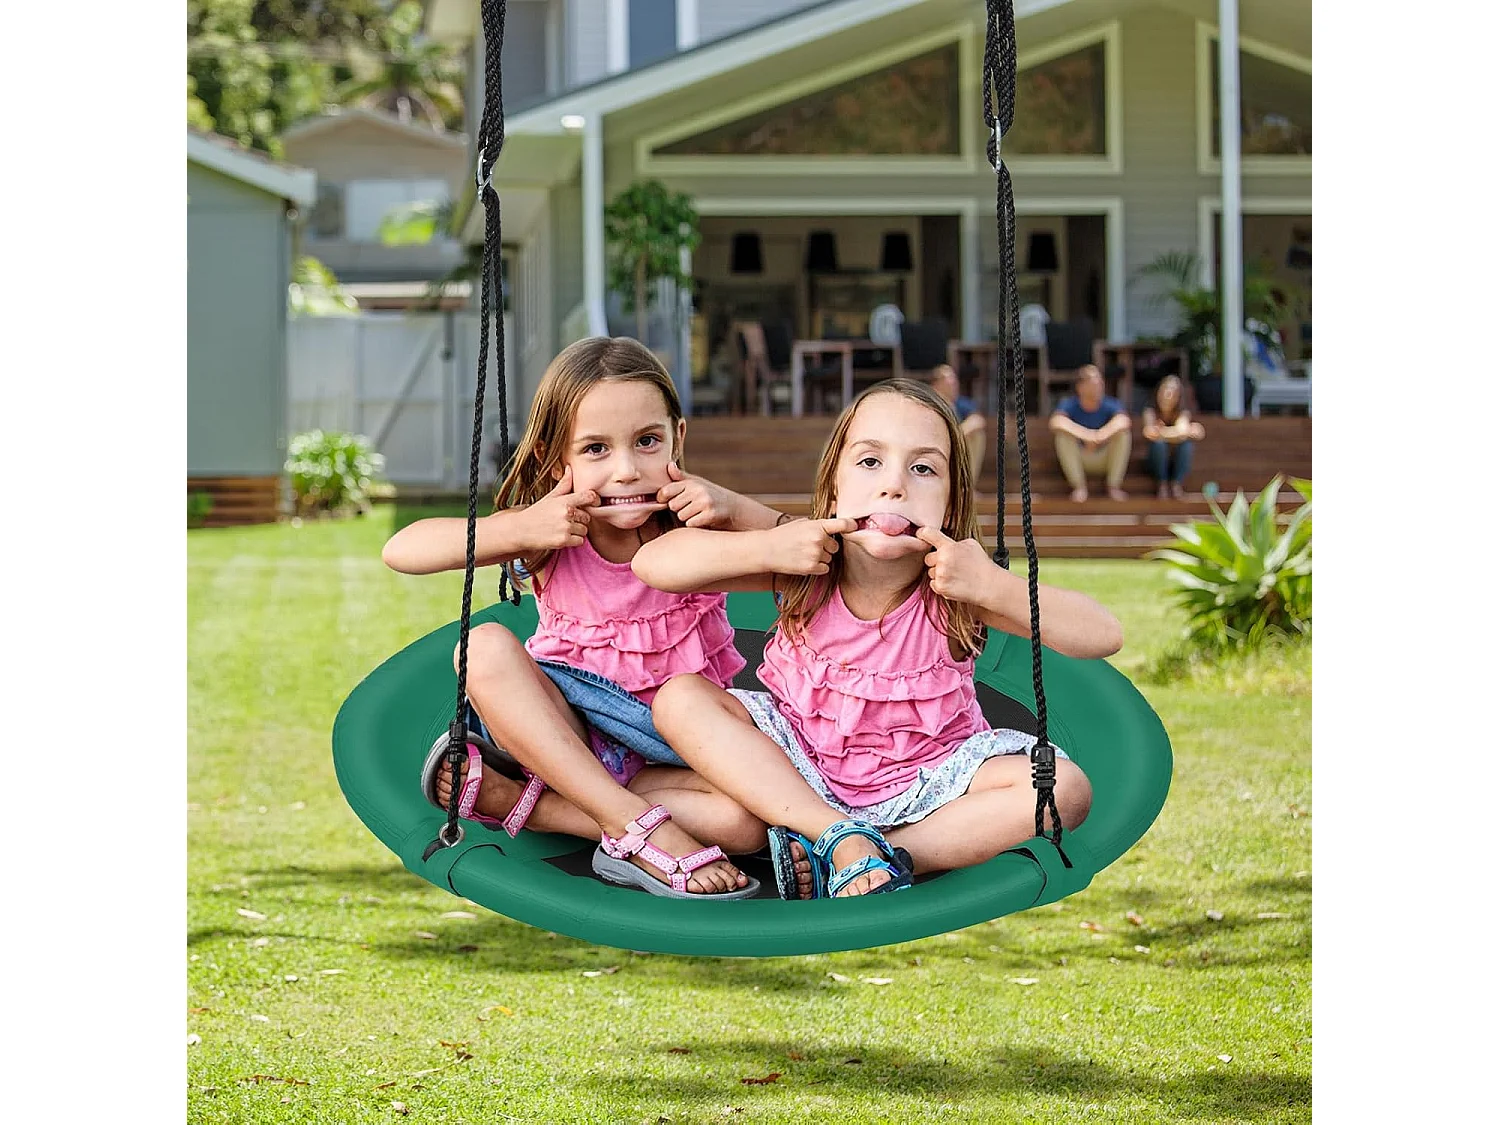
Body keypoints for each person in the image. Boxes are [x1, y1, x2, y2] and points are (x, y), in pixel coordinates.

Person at [633, 379, 1119, 899]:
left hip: (930, 783)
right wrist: (768, 546)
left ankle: (889, 855)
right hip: (794, 767)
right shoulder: (805, 564)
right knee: (680, 699)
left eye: (923, 469)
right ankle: (835, 836)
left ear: (950, 505)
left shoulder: (957, 588)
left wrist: (993, 585)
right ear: (834, 488)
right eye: (870, 462)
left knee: (1063, 790)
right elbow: (655, 563)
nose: (894, 486)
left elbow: (1102, 634)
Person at [382, 336, 793, 899]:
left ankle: (535, 807)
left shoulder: (702, 532)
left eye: (647, 442)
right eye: (596, 449)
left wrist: (738, 509)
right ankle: (632, 824)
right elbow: (402, 550)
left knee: (743, 824)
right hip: (562, 734)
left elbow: (819, 558)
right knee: (482, 647)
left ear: (678, 437)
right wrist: (518, 528)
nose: (626, 471)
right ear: (557, 458)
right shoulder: (551, 533)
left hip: (672, 749)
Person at [1048, 364, 1133, 502]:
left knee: (1123, 435)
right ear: (1080, 387)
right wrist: (1086, 435)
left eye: (1100, 380)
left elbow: (1124, 421)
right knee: (1062, 437)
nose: (1099, 384)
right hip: (1081, 459)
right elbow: (1056, 422)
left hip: (1104, 458)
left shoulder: (1110, 403)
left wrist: (1100, 436)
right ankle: (1079, 487)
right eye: (1094, 381)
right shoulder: (1070, 404)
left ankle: (1113, 486)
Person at [1141, 375, 1206, 499]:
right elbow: (1149, 433)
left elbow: (1182, 431)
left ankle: (1176, 484)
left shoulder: (1182, 413)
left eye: (1172, 392)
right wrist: (1178, 433)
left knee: (1186, 445)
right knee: (1159, 445)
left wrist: (1162, 433)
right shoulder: (1150, 411)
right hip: (1155, 462)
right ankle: (1162, 484)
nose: (1167, 395)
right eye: (1165, 391)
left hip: (1175, 460)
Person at [930, 364, 986, 483]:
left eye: (954, 380)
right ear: (936, 384)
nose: (953, 384)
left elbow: (978, 420)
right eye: (948, 381)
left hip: (956, 443)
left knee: (977, 435)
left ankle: (967, 483)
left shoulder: (961, 403)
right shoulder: (930, 404)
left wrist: (959, 434)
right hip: (936, 445)